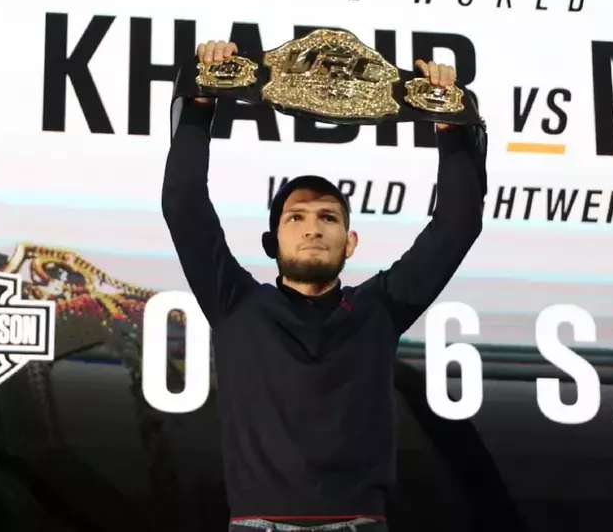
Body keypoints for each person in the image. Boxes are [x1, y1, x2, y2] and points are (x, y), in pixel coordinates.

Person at [162, 39, 488, 532]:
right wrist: (200, 99)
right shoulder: (235, 303)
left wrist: (451, 122)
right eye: (296, 217)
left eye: (328, 218)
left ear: (350, 242)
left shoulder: (380, 308)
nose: (313, 228)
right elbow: (183, 204)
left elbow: (458, 223)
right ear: (271, 241)